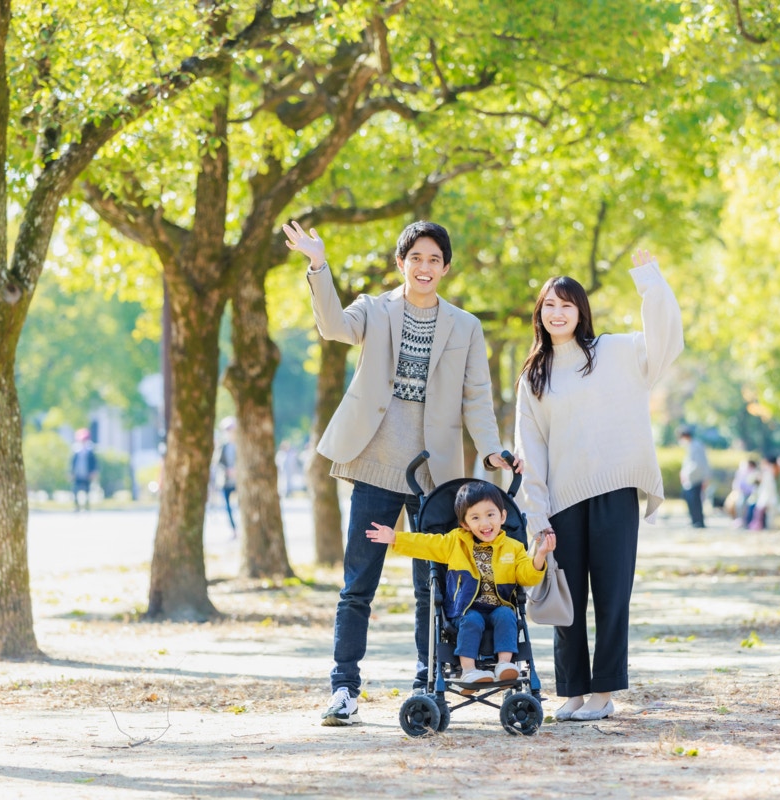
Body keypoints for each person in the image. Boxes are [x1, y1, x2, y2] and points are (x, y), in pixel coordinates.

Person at [284, 218, 521, 727]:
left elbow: (477, 397)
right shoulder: (374, 309)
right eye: (416, 258)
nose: (425, 267)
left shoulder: (466, 325)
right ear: (401, 264)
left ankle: (425, 680)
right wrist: (318, 264)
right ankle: (344, 687)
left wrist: (492, 451)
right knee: (358, 582)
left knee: (431, 584)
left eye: (435, 259)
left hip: (436, 478)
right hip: (374, 461)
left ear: (446, 268)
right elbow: (332, 326)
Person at [514, 248, 684, 722]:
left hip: (614, 493)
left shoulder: (616, 350)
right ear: (539, 314)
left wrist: (650, 281)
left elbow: (666, 340)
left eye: (567, 305)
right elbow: (532, 449)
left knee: (611, 595)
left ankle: (604, 693)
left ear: (581, 311)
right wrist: (537, 513)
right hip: (563, 500)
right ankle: (571, 691)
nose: (557, 313)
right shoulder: (534, 376)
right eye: (549, 305)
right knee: (565, 599)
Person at [365, 481, 555, 691]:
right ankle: (469, 670)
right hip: (465, 608)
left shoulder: (514, 548)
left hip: (498, 606)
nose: (485, 523)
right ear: (465, 524)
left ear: (502, 516)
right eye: (475, 518)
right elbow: (426, 543)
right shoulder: (455, 543)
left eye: (490, 515)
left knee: (507, 615)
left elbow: (527, 576)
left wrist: (540, 555)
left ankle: (504, 665)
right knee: (472, 619)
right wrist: (395, 538)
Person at [679, 428, 710, 528]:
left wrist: (687, 474)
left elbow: (698, 464)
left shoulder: (696, 446)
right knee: (692, 501)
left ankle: (698, 521)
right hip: (692, 478)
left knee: (695, 501)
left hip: (695, 478)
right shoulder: (692, 445)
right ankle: (695, 520)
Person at [212, 418, 238, 537]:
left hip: (238, 480)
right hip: (225, 481)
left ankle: (241, 529)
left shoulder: (240, 445)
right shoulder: (222, 446)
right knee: (227, 507)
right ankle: (234, 530)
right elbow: (218, 462)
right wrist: (227, 471)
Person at [69, 428, 99, 511]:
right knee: (75, 490)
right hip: (78, 473)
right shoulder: (76, 450)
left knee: (87, 490)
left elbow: (94, 463)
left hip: (87, 473)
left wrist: (94, 472)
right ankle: (77, 506)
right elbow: (72, 463)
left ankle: (86, 505)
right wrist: (71, 472)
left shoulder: (90, 451)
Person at [747, 457, 779, 530]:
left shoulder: (768, 472)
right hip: (765, 496)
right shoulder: (767, 472)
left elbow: (769, 487)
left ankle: (762, 525)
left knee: (763, 511)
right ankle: (762, 525)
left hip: (768, 496)